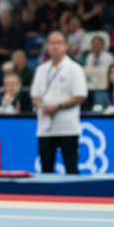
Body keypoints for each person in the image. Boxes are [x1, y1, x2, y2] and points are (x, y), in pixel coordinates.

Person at [31, 30, 88, 175]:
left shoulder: (74, 69)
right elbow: (35, 96)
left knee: (71, 168)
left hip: (67, 127)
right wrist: (43, 107)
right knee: (46, 169)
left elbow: (80, 96)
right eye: (51, 43)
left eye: (58, 43)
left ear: (65, 46)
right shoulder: (41, 69)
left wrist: (57, 106)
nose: (55, 46)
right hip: (45, 127)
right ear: (47, 47)